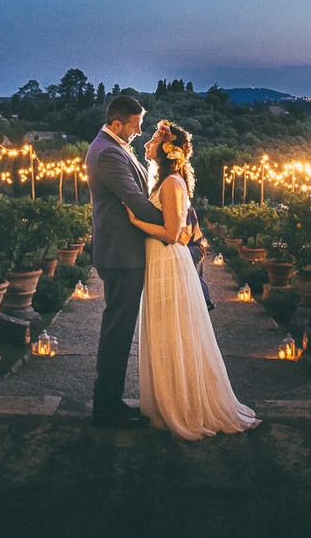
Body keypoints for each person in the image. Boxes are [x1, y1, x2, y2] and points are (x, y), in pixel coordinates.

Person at [127, 120, 260, 440]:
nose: (148, 142)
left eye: (155, 139)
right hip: (159, 262)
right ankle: (168, 401)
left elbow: (174, 234)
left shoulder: (173, 184)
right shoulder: (165, 181)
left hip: (168, 263)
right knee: (165, 331)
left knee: (173, 331)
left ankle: (183, 407)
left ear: (166, 149)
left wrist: (135, 220)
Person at [85, 94, 188, 429]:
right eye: (134, 126)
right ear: (117, 124)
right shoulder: (107, 154)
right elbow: (136, 202)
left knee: (120, 328)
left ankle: (110, 402)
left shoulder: (114, 147)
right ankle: (106, 407)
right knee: (117, 331)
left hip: (127, 252)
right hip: (121, 255)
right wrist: (173, 224)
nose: (138, 132)